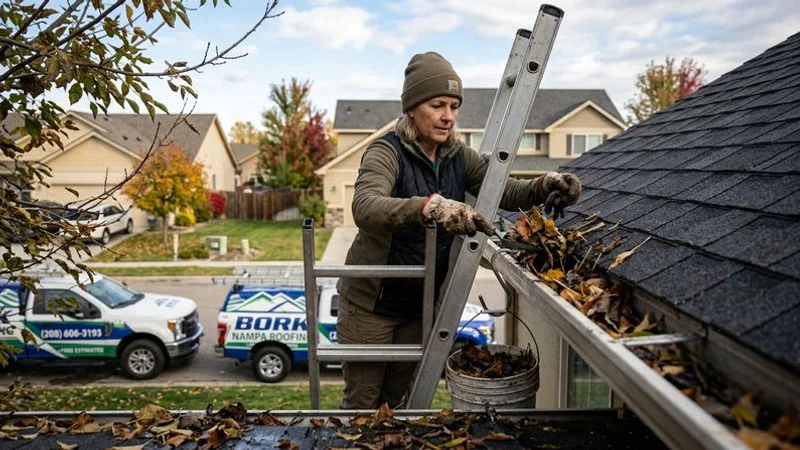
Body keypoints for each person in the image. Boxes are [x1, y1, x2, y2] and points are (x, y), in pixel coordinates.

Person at [336, 51, 581, 409]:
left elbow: (504, 190)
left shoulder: (457, 156)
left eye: (454, 106)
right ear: (412, 108)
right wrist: (428, 207)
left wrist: (545, 184)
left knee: (397, 402)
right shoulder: (386, 152)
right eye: (437, 105)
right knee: (363, 405)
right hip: (372, 304)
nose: (448, 116)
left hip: (419, 304)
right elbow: (365, 206)